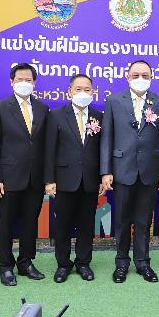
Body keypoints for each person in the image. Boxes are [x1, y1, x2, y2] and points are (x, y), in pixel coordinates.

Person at [100, 60, 159, 283]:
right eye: (136, 75)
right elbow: (106, 138)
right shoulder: (114, 101)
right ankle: (121, 263)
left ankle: (143, 263)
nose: (140, 79)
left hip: (150, 171)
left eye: (145, 75)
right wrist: (105, 171)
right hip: (122, 170)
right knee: (122, 221)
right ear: (127, 77)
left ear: (151, 77)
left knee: (143, 221)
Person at [0, 63, 49, 286]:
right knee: (5, 223)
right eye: (20, 80)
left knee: (30, 222)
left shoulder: (42, 108)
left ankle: (26, 262)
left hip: (35, 178)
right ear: (11, 82)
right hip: (8, 178)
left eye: (28, 80)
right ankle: (5, 266)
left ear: (34, 83)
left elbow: (45, 146)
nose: (24, 83)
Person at [44, 74, 104, 283]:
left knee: (86, 224)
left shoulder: (98, 116)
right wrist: (49, 180)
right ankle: (63, 264)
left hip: (90, 180)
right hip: (63, 180)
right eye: (78, 89)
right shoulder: (56, 115)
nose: (83, 93)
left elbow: (102, 149)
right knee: (62, 225)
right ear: (69, 91)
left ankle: (83, 263)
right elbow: (49, 150)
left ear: (93, 92)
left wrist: (102, 177)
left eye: (87, 89)